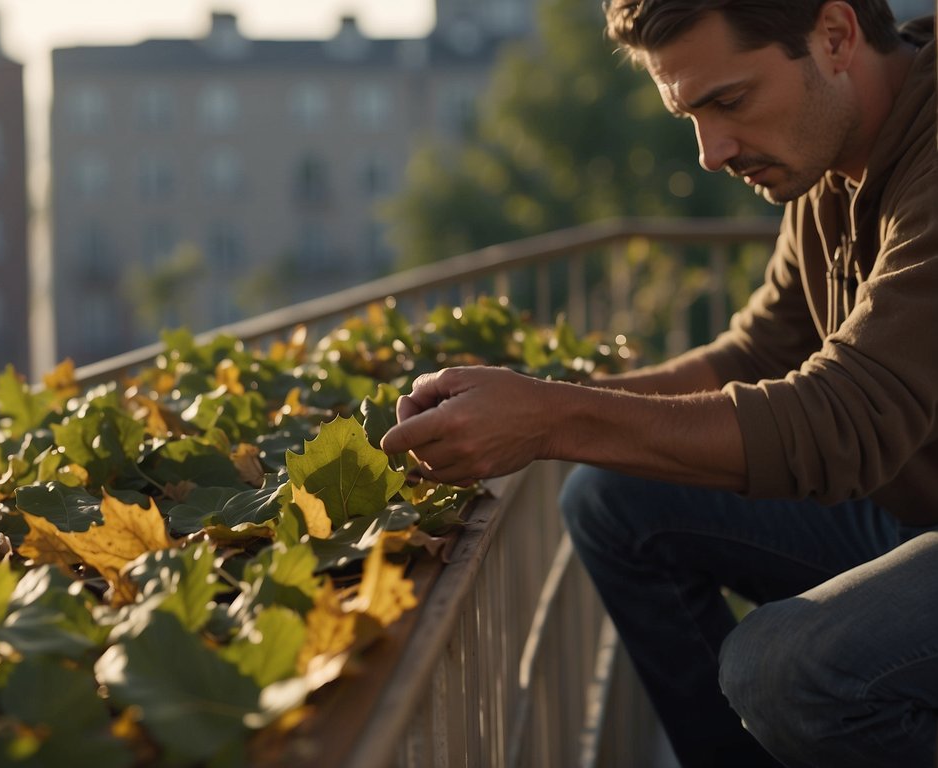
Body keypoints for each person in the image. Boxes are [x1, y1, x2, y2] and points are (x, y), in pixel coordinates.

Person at [378, 1, 937, 766]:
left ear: (835, 35)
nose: (711, 152)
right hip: (914, 520)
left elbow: (843, 421)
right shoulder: (828, 156)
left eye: (730, 101)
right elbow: (756, 355)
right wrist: (516, 403)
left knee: (785, 669)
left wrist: (550, 421)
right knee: (610, 497)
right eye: (690, 114)